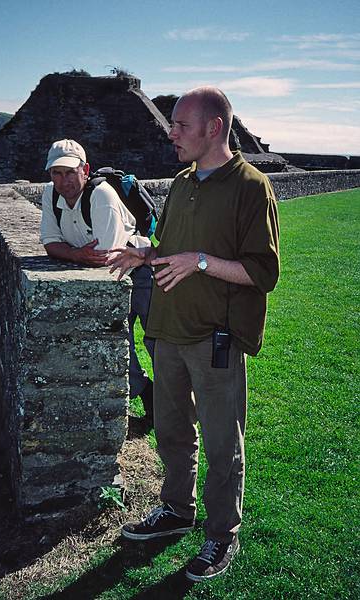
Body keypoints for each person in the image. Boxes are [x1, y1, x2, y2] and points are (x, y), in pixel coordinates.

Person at [107, 87, 280, 581]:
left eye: (182, 124)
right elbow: (174, 250)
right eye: (172, 123)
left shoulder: (251, 187)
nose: (171, 132)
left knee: (224, 442)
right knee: (173, 431)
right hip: (167, 330)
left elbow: (263, 273)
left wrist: (201, 262)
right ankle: (176, 510)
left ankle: (222, 534)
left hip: (215, 338)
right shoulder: (183, 182)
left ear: (215, 128)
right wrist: (146, 251)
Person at [40, 139, 154, 425]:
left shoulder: (101, 194)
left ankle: (173, 409)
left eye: (69, 172)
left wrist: (73, 254)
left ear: (85, 169)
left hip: (139, 275)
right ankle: (150, 398)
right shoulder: (50, 195)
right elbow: (50, 244)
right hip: (109, 279)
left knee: (159, 343)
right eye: (56, 173)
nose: (63, 180)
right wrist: (79, 254)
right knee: (117, 343)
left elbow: (104, 256)